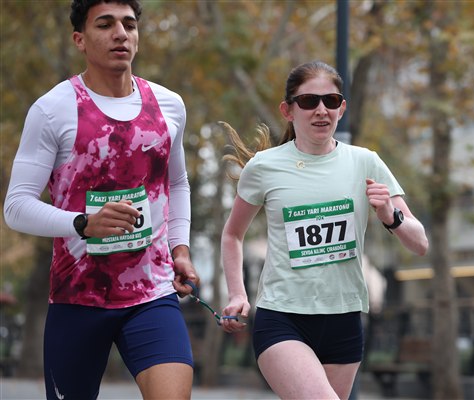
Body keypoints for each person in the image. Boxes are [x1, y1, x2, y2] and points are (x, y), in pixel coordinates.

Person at [3, 1, 199, 399]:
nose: (120, 34)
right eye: (105, 24)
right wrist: (83, 223)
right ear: (80, 39)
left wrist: (179, 248)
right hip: (78, 296)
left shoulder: (169, 105)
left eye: (129, 24)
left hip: (152, 293)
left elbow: (176, 183)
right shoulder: (53, 109)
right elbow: (16, 206)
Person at [219, 60, 429, 400]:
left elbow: (420, 244)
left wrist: (390, 215)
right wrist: (237, 295)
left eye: (330, 101)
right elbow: (232, 234)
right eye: (308, 101)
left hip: (344, 319)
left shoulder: (365, 162)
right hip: (283, 316)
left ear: (341, 108)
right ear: (288, 110)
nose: (321, 110)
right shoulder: (264, 167)